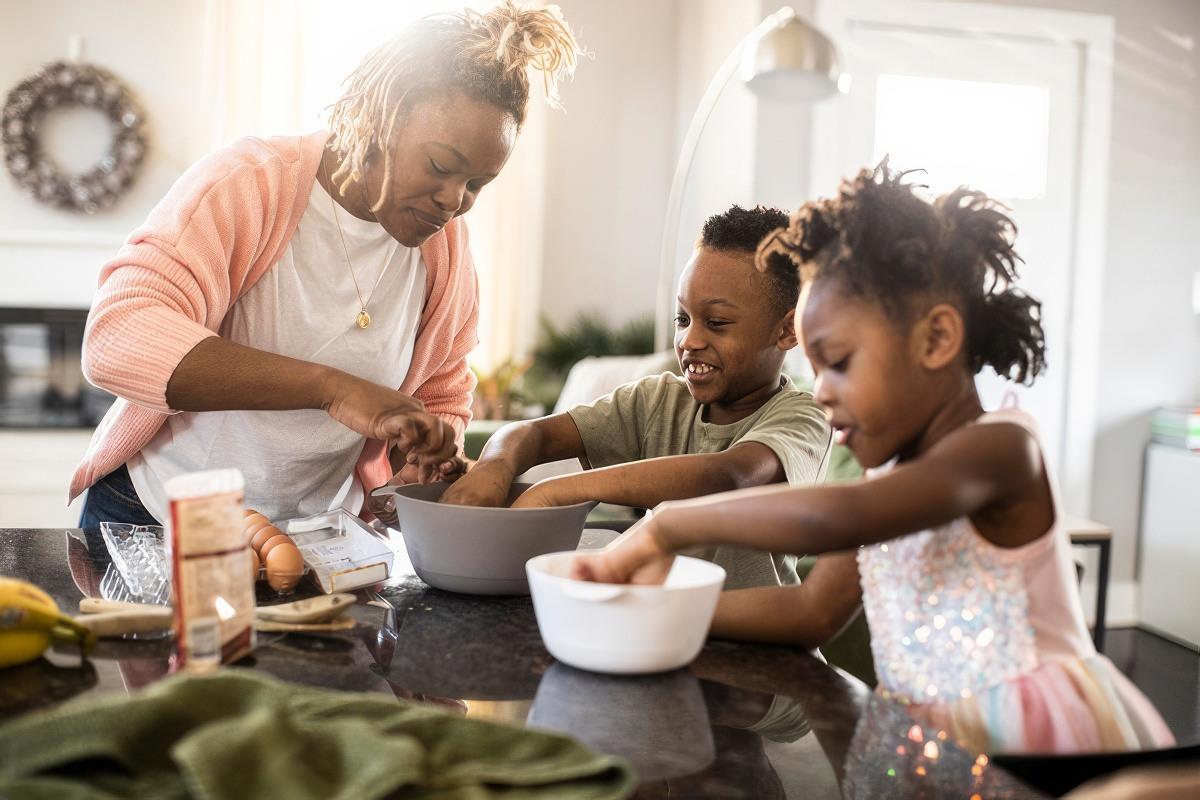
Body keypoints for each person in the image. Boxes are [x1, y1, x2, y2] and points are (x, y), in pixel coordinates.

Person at [574, 163, 1176, 754]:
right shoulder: (885, 476)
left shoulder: (1002, 449)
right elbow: (810, 611)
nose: (824, 389)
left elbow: (840, 514)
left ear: (936, 340)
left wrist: (669, 524)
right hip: (928, 747)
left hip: (1034, 745)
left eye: (839, 362)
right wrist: (660, 609)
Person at [71, 2, 585, 527]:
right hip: (156, 518)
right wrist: (334, 390)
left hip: (319, 537)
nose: (453, 200)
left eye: (477, 184)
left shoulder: (446, 252)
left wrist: (423, 455)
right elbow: (118, 336)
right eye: (440, 167)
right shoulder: (249, 183)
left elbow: (440, 393)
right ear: (377, 117)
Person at [408, 204, 844, 592]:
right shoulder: (657, 402)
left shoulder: (804, 416)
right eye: (683, 317)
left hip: (758, 662)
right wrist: (494, 467)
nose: (689, 339)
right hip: (660, 637)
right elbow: (532, 435)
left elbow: (728, 476)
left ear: (788, 329)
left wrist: (557, 491)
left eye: (716, 322)